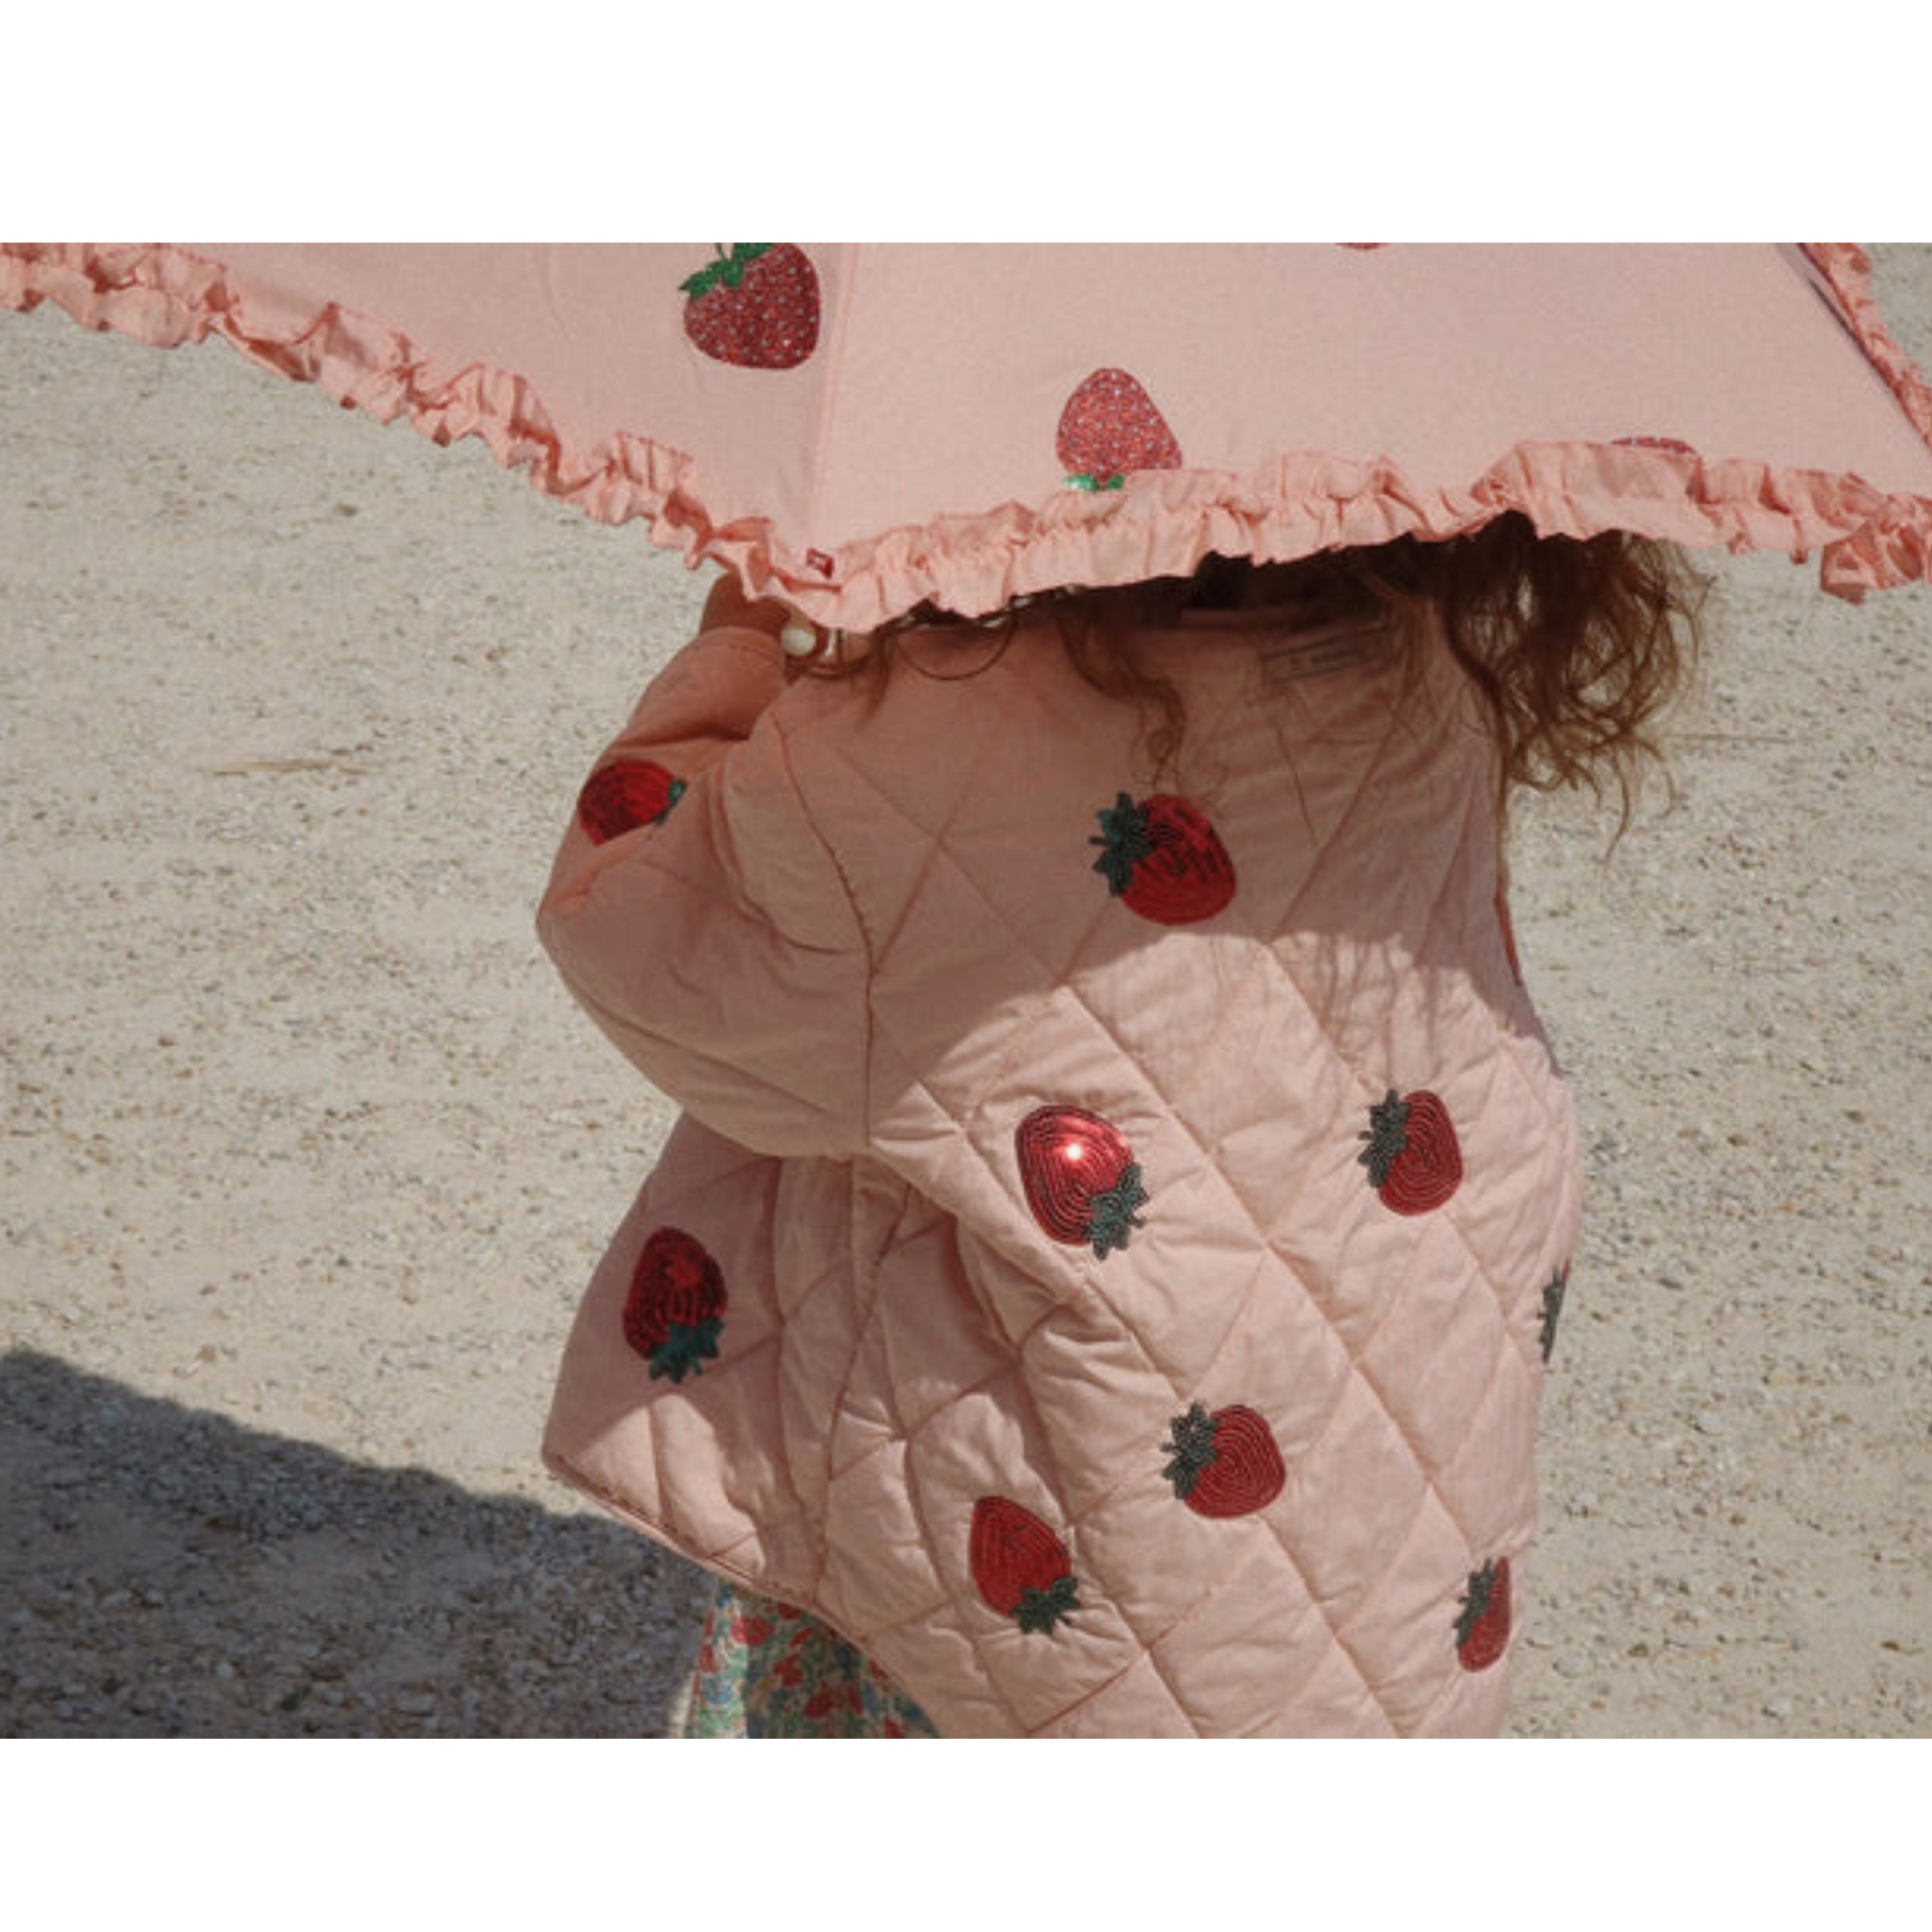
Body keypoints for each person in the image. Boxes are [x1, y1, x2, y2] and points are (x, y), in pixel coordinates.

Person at [536, 515, 1703, 1737]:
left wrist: (745, 646)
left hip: (1039, 1587)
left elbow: (631, 928)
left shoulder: (922, 752)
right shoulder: (1420, 675)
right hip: (1380, 1522)